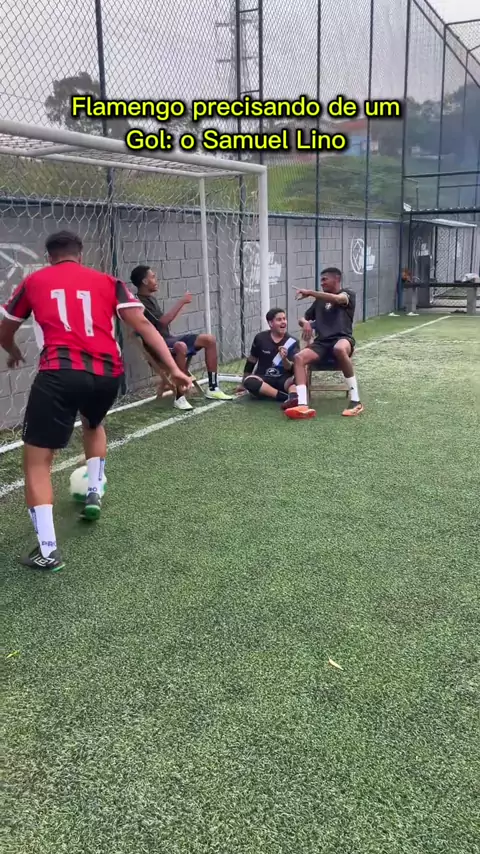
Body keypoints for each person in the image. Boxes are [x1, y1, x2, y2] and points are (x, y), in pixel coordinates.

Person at [0, 231, 192, 571]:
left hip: (60, 372)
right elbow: (143, 325)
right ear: (81, 254)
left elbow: (6, 329)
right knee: (93, 423)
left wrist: (13, 351)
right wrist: (174, 369)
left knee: (37, 461)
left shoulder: (34, 282)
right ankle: (94, 490)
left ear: (49, 257)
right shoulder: (108, 281)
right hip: (107, 374)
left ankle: (48, 551)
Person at [130, 265, 233, 410]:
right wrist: (181, 301)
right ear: (145, 281)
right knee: (181, 346)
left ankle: (213, 388)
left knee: (209, 339)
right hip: (157, 346)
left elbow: (163, 324)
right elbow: (162, 322)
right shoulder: (139, 302)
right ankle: (180, 397)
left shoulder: (150, 299)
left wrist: (181, 306)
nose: (156, 280)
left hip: (168, 340)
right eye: (153, 277)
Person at [283, 266, 364, 419]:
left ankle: (356, 401)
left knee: (339, 349)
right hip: (322, 343)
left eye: (324, 279)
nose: (322, 283)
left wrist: (310, 292)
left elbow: (338, 299)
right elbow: (303, 318)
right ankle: (302, 405)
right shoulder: (319, 301)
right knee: (299, 358)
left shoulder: (347, 294)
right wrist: (305, 323)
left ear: (336, 279)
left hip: (342, 339)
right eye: (321, 280)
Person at [240, 308, 299, 402]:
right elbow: (251, 361)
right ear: (271, 323)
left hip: (284, 380)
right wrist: (243, 384)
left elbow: (292, 369)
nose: (283, 322)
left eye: (284, 319)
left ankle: (293, 398)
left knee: (297, 380)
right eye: (279, 320)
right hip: (263, 379)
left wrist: (284, 359)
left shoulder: (292, 341)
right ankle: (282, 397)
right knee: (249, 381)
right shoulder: (260, 338)